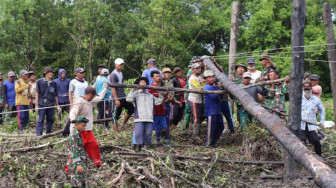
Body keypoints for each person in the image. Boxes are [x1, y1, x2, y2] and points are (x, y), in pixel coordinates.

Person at [69, 86, 108, 168]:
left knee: (94, 146)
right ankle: (70, 168)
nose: (93, 97)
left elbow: (99, 97)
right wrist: (74, 123)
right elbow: (73, 112)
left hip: (88, 130)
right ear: (90, 95)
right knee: (76, 149)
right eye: (93, 95)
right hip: (79, 131)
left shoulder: (90, 101)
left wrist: (105, 88)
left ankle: (97, 163)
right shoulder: (80, 101)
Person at [126, 77, 164, 151]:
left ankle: (144, 148)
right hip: (139, 117)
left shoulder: (149, 95)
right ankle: (135, 147)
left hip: (149, 118)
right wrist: (133, 89)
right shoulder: (136, 94)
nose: (143, 83)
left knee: (148, 133)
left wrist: (161, 94)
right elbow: (129, 99)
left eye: (144, 82)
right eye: (141, 82)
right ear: (138, 84)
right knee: (138, 133)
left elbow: (158, 102)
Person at [300, 81, 325, 156]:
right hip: (301, 125)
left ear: (311, 89)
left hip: (312, 126)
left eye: (308, 89)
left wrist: (322, 121)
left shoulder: (316, 99)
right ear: (302, 89)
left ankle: (320, 158)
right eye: (305, 89)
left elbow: (322, 110)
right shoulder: (298, 99)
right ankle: (302, 158)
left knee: (316, 141)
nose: (307, 91)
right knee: (301, 142)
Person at [110, 58, 134, 132]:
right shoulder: (113, 74)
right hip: (117, 97)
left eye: (122, 64)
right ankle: (116, 131)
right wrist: (116, 99)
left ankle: (123, 124)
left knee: (131, 109)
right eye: (120, 64)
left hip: (123, 95)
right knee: (116, 115)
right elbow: (112, 88)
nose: (121, 66)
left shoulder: (121, 73)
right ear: (115, 65)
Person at [35, 67, 60, 135]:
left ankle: (48, 134)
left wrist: (57, 105)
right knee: (41, 119)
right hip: (42, 103)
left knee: (50, 119)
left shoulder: (54, 83)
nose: (51, 74)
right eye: (49, 72)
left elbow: (55, 95)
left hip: (51, 104)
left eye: (52, 72)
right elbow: (37, 93)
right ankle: (38, 134)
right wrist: (36, 105)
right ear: (45, 73)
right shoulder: (40, 82)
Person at [203, 70, 224, 148]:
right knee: (211, 129)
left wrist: (220, 89)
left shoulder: (214, 87)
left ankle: (213, 143)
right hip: (211, 111)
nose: (212, 79)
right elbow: (213, 97)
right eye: (209, 77)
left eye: (212, 77)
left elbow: (221, 96)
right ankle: (208, 144)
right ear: (205, 79)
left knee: (221, 127)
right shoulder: (207, 87)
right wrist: (220, 90)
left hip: (218, 110)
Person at [67, 116, 89, 188]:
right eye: (83, 126)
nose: (84, 128)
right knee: (76, 184)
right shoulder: (73, 135)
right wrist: (78, 164)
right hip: (76, 166)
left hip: (79, 164)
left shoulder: (78, 134)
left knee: (81, 183)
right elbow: (74, 152)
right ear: (77, 125)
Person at [187, 63, 206, 141]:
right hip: (193, 100)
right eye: (197, 68)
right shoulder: (192, 78)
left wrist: (204, 82)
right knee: (196, 117)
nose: (199, 69)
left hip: (199, 100)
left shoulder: (198, 77)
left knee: (202, 115)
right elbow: (199, 88)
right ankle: (195, 136)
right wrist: (206, 83)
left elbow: (202, 83)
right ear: (193, 69)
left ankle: (197, 132)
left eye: (199, 68)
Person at [148, 70, 168, 143]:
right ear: (152, 77)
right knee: (155, 127)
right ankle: (156, 141)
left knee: (164, 127)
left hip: (162, 110)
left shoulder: (162, 87)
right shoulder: (151, 87)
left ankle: (163, 140)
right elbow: (152, 98)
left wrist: (166, 96)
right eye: (156, 76)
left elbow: (164, 98)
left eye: (159, 76)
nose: (158, 78)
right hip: (155, 111)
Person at [161, 67, 180, 140]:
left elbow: (171, 94)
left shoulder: (170, 82)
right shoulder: (161, 82)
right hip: (161, 103)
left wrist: (175, 100)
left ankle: (166, 137)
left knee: (167, 119)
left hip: (168, 103)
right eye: (166, 73)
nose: (168, 74)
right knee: (162, 119)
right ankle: (161, 137)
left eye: (169, 73)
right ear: (163, 74)